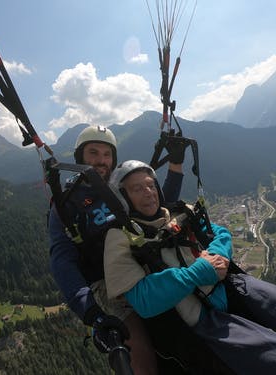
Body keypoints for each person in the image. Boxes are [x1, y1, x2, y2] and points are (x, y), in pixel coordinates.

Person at [103, 160, 276, 375]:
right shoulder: (120, 237)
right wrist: (199, 271)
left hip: (231, 285)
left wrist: (218, 255)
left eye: (150, 185)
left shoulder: (179, 211)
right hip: (204, 317)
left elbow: (219, 233)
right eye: (137, 189)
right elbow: (142, 300)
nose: (149, 193)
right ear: (123, 199)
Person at [48, 126, 186, 374]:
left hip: (144, 262)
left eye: (106, 154)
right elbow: (62, 262)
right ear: (80, 157)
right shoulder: (66, 203)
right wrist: (92, 312)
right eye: (93, 153)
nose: (101, 161)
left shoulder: (119, 186)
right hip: (107, 284)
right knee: (139, 349)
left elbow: (156, 207)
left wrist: (175, 166)